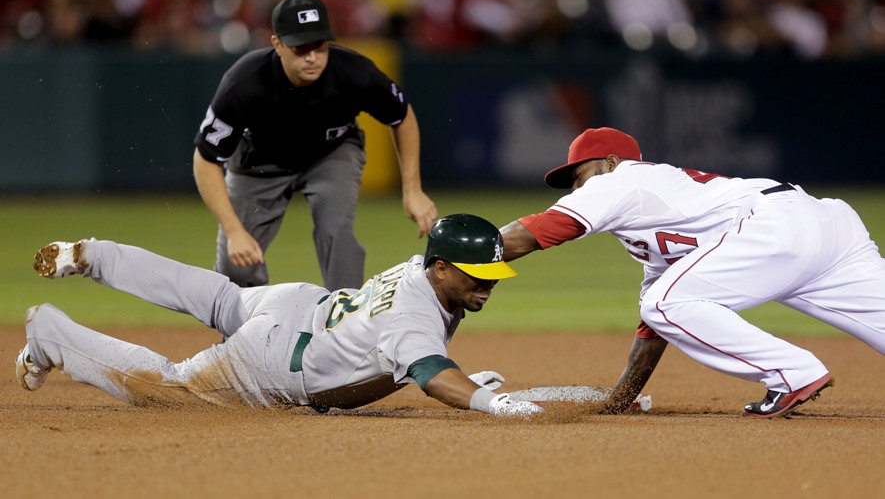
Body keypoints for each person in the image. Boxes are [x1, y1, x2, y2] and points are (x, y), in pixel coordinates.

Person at [500, 127, 885, 419]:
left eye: (580, 174)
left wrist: (466, 253)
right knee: (664, 304)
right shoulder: (651, 218)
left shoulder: (622, 180)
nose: (576, 187)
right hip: (827, 226)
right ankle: (793, 374)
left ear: (612, 162)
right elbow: (656, 326)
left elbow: (538, 231)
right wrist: (621, 401)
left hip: (776, 225)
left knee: (664, 302)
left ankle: (792, 374)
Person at [16, 214, 542, 418]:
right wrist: (484, 400)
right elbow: (429, 375)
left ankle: (98, 253)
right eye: (476, 272)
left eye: (492, 271)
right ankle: (49, 336)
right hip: (275, 358)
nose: (488, 281)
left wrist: (460, 376)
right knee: (170, 390)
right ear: (443, 269)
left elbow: (414, 348)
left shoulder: (419, 269)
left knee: (217, 296)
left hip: (294, 304)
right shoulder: (414, 318)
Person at [192, 0, 437, 290]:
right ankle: (245, 332)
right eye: (300, 47)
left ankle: (345, 322)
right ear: (277, 44)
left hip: (331, 155)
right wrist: (233, 231)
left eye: (319, 46)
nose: (311, 56)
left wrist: (413, 189)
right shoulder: (244, 83)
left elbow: (401, 116)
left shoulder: (354, 72)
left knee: (336, 231)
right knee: (235, 267)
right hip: (258, 164)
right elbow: (206, 159)